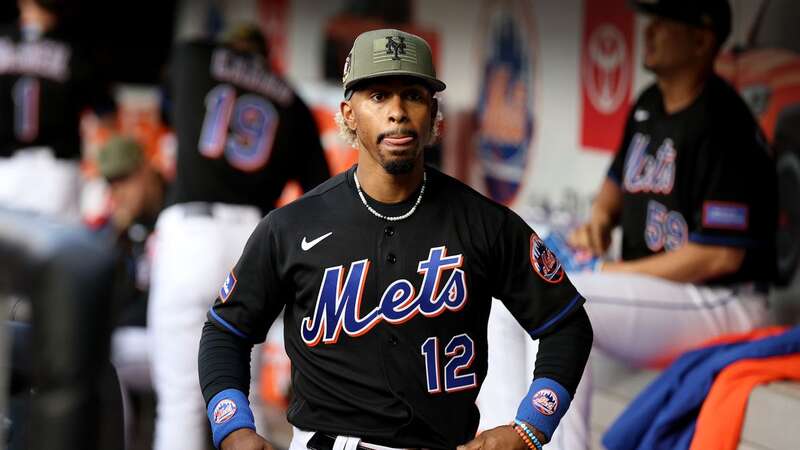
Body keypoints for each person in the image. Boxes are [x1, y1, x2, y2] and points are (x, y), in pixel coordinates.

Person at [198, 28, 593, 450]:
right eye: (378, 96)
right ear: (349, 113)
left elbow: (566, 324)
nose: (398, 112)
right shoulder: (292, 227)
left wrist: (531, 427)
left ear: (433, 111)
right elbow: (226, 331)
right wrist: (233, 427)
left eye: (413, 95)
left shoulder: (485, 223)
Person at [547, 1, 777, 448]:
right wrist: (598, 221)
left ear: (701, 40)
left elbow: (720, 254)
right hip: (661, 292)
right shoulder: (648, 103)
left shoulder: (723, 123)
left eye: (666, 22)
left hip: (725, 301)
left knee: (565, 304)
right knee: (524, 301)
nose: (648, 32)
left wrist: (609, 273)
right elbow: (613, 189)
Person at [148, 24, 331, 450]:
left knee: (180, 405)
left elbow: (166, 111)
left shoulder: (193, 55)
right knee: (237, 404)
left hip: (191, 232)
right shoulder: (292, 99)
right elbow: (322, 194)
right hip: (253, 241)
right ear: (266, 58)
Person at [0, 0, 113, 220]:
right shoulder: (74, 46)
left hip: (51, 170)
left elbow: (105, 112)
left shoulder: (75, 47)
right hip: (33, 171)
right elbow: (106, 113)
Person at [94, 135, 165, 449]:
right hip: (134, 345)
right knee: (100, 356)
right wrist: (115, 239)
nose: (118, 192)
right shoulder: (116, 231)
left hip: (178, 339)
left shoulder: (177, 210)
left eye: (125, 180)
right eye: (112, 184)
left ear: (145, 171)